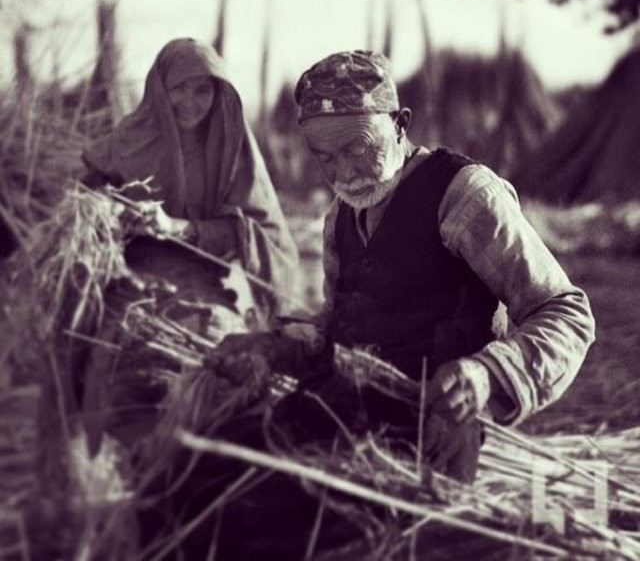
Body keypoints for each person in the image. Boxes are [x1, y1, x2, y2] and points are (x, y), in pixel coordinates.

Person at [214, 50, 596, 484]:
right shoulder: (340, 218)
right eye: (325, 158)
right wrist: (274, 345)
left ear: (399, 124)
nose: (344, 171)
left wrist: (486, 374)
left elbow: (567, 313)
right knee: (220, 473)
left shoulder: (464, 196)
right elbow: (343, 327)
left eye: (357, 147)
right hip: (345, 413)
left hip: (427, 434)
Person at [78, 38, 298, 450]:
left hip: (206, 291)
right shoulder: (129, 139)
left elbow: (265, 235)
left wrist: (182, 228)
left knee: (211, 391)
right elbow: (81, 206)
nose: (190, 102)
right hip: (129, 285)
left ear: (219, 95)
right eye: (178, 88)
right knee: (103, 378)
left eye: (203, 90)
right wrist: (113, 216)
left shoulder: (232, 146)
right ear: (159, 88)